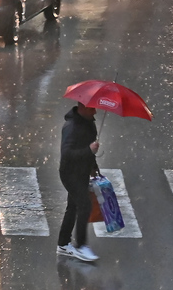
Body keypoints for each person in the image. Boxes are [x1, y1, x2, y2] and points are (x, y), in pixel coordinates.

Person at [56, 102, 100, 262]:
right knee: (84, 205)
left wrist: (93, 165)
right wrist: (88, 151)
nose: (95, 111)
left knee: (73, 207)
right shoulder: (71, 127)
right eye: (91, 108)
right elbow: (66, 154)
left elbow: (89, 151)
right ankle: (81, 246)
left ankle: (63, 244)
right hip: (70, 174)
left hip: (82, 173)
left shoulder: (89, 124)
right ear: (81, 107)